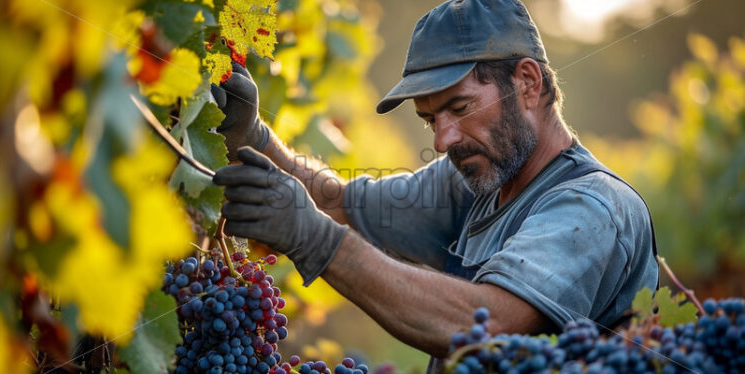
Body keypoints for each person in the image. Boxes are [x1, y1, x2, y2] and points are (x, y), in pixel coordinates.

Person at [210, 0, 659, 367]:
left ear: (527, 82)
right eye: (429, 120)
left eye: (460, 107)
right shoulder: (475, 180)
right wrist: (255, 139)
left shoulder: (592, 207)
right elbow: (342, 203)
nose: (443, 140)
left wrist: (315, 239)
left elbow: (488, 324)